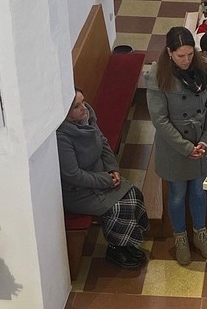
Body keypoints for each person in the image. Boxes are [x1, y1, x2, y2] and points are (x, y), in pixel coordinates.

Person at [144, 27, 207, 265]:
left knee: (199, 191)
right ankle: (180, 238)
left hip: (200, 143)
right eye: (180, 56)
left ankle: (200, 234)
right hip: (174, 146)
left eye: (189, 54)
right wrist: (187, 147)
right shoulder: (158, 75)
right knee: (177, 195)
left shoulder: (203, 67)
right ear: (169, 52)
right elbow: (160, 120)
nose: (186, 60)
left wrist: (205, 139)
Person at [56, 88, 149, 270]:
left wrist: (113, 168)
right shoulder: (62, 137)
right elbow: (73, 175)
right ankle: (115, 249)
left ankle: (127, 243)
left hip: (99, 175)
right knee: (118, 207)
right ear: (64, 113)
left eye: (83, 101)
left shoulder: (87, 117)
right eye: (76, 106)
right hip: (78, 191)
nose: (84, 108)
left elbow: (103, 142)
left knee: (133, 194)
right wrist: (106, 180)